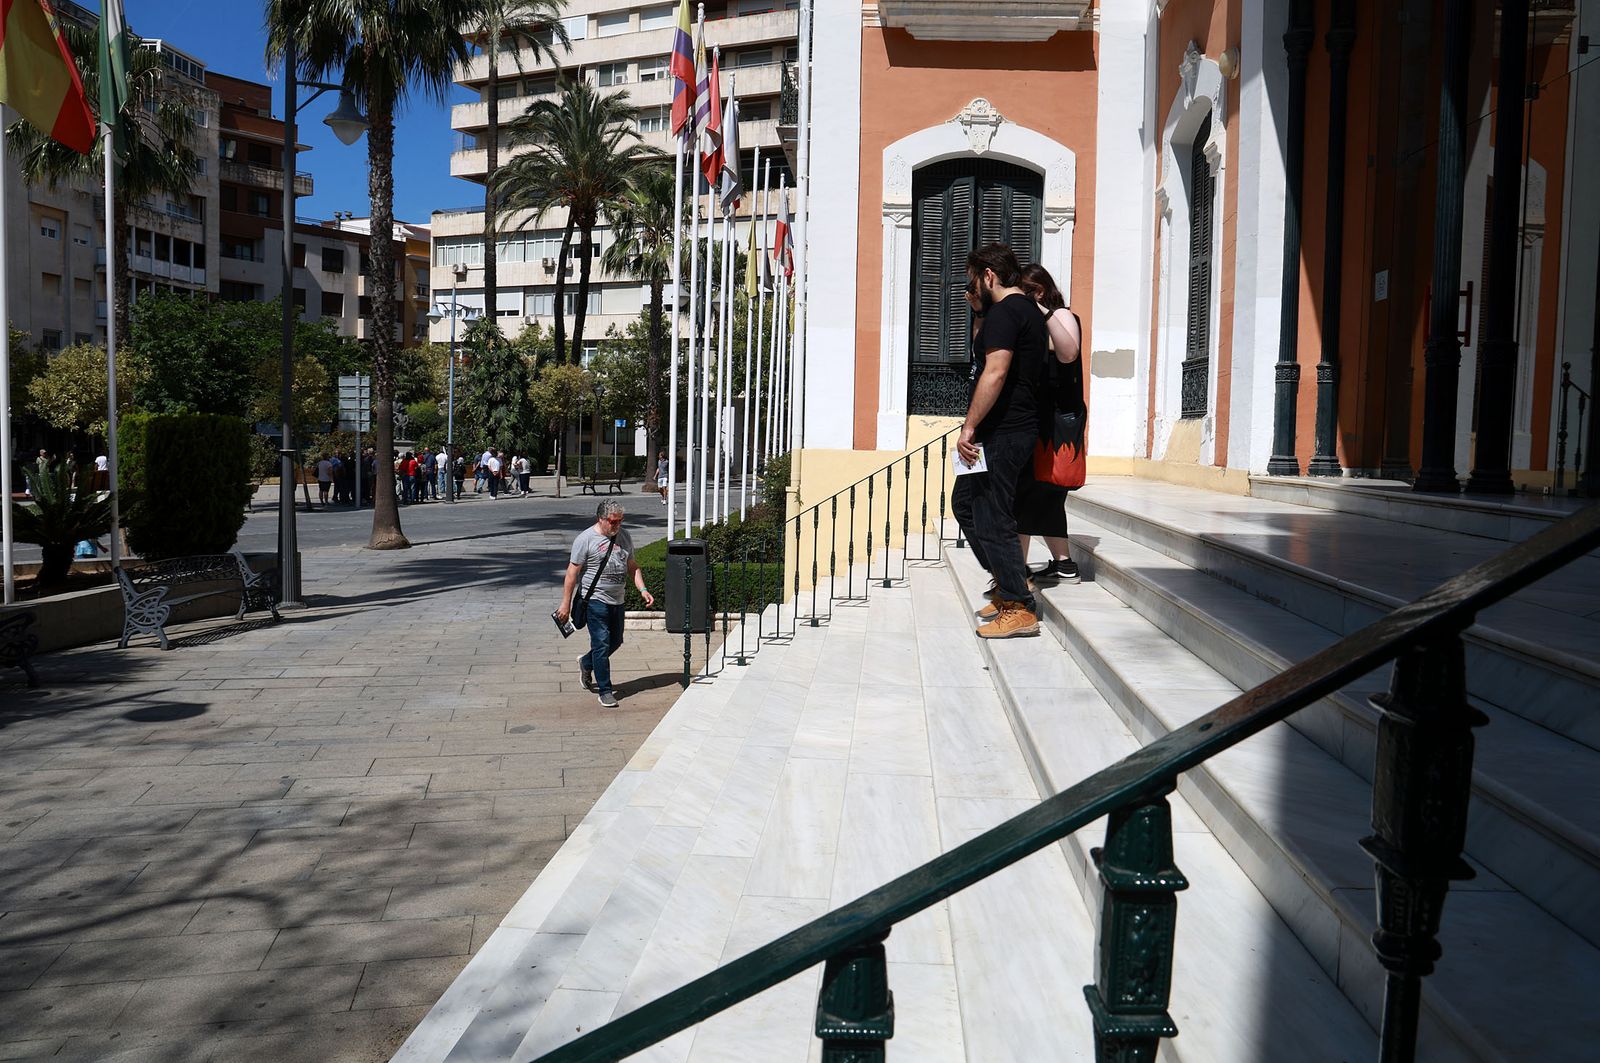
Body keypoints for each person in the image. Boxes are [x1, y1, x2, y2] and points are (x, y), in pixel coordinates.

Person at [956, 243, 1048, 639]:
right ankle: (1009, 581)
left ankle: (1019, 607)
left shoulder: (1007, 313)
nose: (971, 288)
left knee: (993, 516)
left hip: (1004, 432)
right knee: (966, 505)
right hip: (1009, 430)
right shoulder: (1021, 310)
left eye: (973, 280)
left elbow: (994, 373)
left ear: (988, 276)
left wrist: (969, 427)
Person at [1015, 262, 1083, 587]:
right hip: (1037, 420)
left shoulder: (1062, 316)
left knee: (1028, 493)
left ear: (1039, 292)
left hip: (1054, 426)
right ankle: (1065, 565)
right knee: (1044, 495)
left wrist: (1040, 311)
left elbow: (1068, 353)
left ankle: (1016, 573)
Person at [557, 501, 654, 708]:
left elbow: (633, 567)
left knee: (616, 641)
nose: (617, 525)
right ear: (601, 519)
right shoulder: (585, 539)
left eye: (620, 521)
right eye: (613, 521)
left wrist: (643, 589)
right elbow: (572, 574)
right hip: (595, 600)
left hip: (618, 600)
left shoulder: (624, 536)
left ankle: (586, 662)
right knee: (600, 643)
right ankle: (606, 690)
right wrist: (565, 604)